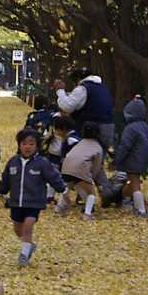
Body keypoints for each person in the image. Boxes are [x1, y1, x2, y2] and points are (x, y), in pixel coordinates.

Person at [0, 124, 66, 261]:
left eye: (31, 143)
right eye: (24, 143)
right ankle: (29, 245)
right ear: (19, 145)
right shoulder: (13, 162)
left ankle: (24, 255)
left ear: (37, 146)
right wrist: (3, 190)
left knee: (28, 226)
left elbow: (53, 177)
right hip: (16, 202)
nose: (27, 147)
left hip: (34, 202)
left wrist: (62, 189)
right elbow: (6, 178)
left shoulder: (42, 163)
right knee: (18, 229)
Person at [55, 72, 114, 216]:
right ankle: (105, 191)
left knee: (84, 160)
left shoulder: (83, 88)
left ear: (77, 80)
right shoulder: (102, 88)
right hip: (108, 128)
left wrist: (60, 91)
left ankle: (87, 197)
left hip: (92, 129)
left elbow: (67, 106)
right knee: (96, 162)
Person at [103, 95, 148, 217]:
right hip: (143, 158)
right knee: (133, 182)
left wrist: (117, 161)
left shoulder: (130, 128)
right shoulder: (145, 127)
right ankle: (127, 200)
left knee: (134, 183)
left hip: (133, 159)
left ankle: (140, 209)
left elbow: (125, 146)